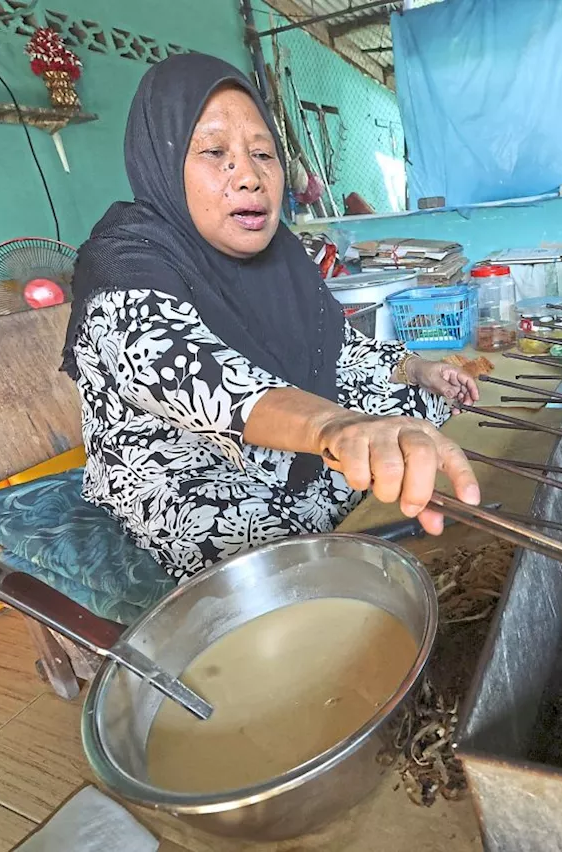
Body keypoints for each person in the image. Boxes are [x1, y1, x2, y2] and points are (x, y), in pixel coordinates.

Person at [61, 53, 481, 582]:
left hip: (286, 424)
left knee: (417, 406)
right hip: (182, 467)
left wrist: (415, 368)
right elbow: (205, 380)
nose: (251, 178)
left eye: (263, 153)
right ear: (160, 163)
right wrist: (340, 425)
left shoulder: (280, 254)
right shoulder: (125, 267)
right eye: (215, 152)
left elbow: (339, 351)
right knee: (265, 541)